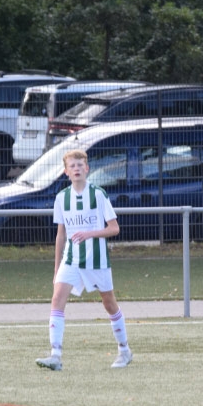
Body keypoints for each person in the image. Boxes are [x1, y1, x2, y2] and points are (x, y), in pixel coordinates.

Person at [36, 149, 132, 371]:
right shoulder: (61, 198)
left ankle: (124, 350)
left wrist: (90, 234)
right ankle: (55, 355)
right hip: (71, 260)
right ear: (66, 172)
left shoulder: (98, 194)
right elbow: (61, 235)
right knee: (57, 299)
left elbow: (114, 228)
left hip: (96, 260)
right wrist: (56, 268)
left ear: (87, 169)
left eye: (80, 165)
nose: (77, 168)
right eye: (72, 166)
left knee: (109, 304)